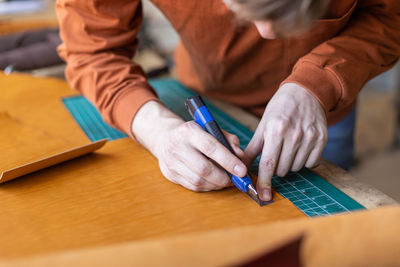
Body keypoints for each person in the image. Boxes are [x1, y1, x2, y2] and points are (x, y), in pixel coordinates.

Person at [56, 0, 400, 201]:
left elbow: (391, 16)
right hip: (209, 98)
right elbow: (92, 51)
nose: (267, 33)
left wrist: (317, 83)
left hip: (326, 113)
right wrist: (160, 134)